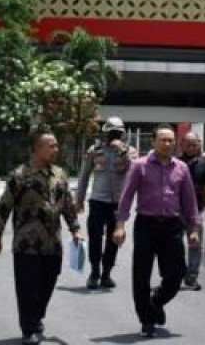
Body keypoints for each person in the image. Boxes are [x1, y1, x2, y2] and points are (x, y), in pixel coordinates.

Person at [0, 130, 83, 345]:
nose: (56, 149)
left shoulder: (60, 174)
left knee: (48, 283)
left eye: (57, 145)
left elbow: (67, 205)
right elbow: (4, 207)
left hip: (53, 243)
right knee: (27, 288)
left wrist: (75, 229)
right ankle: (28, 329)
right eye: (51, 146)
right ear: (37, 148)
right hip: (26, 244)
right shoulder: (20, 175)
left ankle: (37, 316)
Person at [114, 124, 202, 338]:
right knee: (141, 275)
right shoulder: (139, 166)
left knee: (177, 273)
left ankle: (157, 301)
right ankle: (146, 319)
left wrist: (194, 229)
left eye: (171, 140)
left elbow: (189, 202)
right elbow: (126, 197)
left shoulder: (181, 168)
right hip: (146, 224)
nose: (167, 143)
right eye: (163, 140)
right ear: (153, 142)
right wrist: (120, 225)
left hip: (172, 226)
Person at [76, 116, 136, 290]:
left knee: (113, 240)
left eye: (118, 133)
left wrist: (123, 152)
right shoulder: (95, 150)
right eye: (111, 133)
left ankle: (106, 273)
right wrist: (79, 199)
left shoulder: (130, 151)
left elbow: (137, 171)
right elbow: (84, 175)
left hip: (118, 202)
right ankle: (94, 272)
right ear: (105, 134)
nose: (114, 136)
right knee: (95, 238)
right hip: (97, 201)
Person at [177, 131, 205, 291]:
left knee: (195, 244)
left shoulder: (202, 165)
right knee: (175, 245)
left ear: (199, 145)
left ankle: (192, 276)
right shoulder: (175, 163)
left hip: (197, 211)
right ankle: (178, 273)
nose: (191, 147)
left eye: (194, 144)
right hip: (176, 212)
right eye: (188, 144)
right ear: (182, 145)